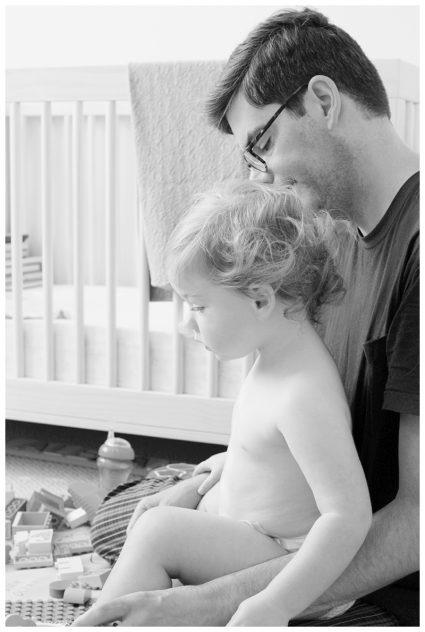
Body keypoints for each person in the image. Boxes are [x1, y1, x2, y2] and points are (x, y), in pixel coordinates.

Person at [74, 7, 419, 627]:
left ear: (322, 101)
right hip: (294, 500)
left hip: (360, 561)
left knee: (152, 540)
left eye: (261, 143)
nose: (266, 176)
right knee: (131, 513)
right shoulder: (332, 234)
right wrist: (212, 479)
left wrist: (209, 602)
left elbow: (416, 522)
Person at [79, 181, 372, 626]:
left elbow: (348, 517)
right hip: (258, 535)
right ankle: (136, 604)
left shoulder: (303, 394)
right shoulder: (277, 358)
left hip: (290, 568)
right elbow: (273, 452)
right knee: (158, 512)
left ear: (260, 299)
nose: (187, 325)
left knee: (158, 532)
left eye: (198, 307)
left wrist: (274, 605)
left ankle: (105, 620)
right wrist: (225, 464)